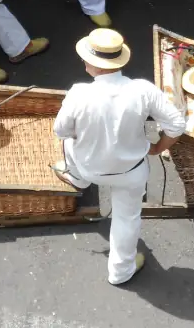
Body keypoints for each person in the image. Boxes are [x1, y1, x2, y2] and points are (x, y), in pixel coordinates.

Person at [52, 28, 186, 286]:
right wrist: (157, 148)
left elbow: (61, 131)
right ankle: (121, 272)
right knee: (126, 219)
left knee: (68, 142)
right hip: (131, 173)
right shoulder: (143, 90)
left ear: (94, 64)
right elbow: (176, 125)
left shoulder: (78, 93)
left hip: (90, 168)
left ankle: (77, 179)